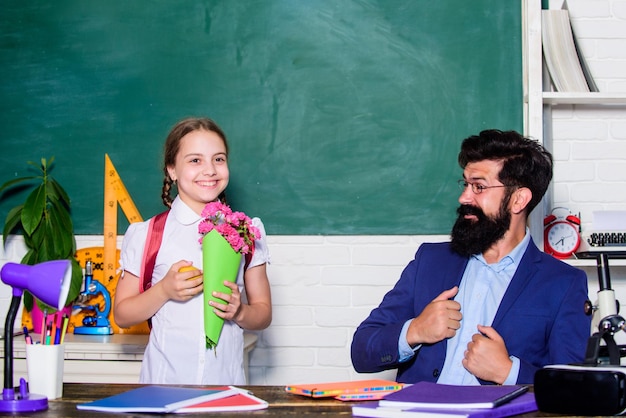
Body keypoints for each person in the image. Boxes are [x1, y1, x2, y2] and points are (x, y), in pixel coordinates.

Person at [351, 129, 591, 385]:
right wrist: (415, 330)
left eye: (479, 186)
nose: (464, 197)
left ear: (518, 199)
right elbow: (361, 351)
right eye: (465, 184)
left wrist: (508, 372)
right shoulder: (430, 261)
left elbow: (573, 386)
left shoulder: (564, 283)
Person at [114, 117, 272, 385]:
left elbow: (263, 312)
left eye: (218, 159)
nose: (209, 170)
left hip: (227, 386)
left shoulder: (246, 230)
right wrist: (163, 290)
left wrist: (240, 312)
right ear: (172, 170)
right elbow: (122, 314)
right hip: (162, 386)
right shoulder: (149, 234)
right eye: (195, 160)